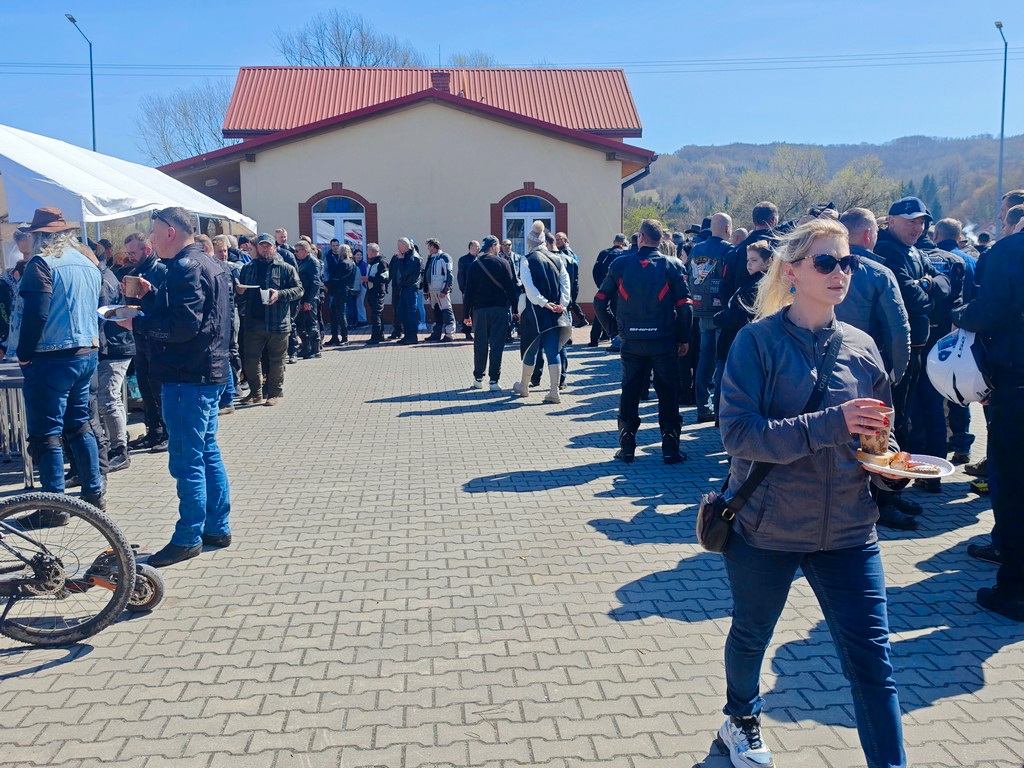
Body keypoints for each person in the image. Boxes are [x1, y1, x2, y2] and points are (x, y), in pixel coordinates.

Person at [716, 217, 906, 768]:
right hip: (768, 526)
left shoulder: (863, 347)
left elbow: (878, 433)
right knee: (751, 635)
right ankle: (740, 719)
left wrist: (890, 468)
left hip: (850, 529)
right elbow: (739, 435)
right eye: (826, 262)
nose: (840, 272)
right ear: (793, 271)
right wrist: (832, 422)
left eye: (848, 262)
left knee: (874, 663)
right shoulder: (757, 342)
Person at [123, 206, 232, 567]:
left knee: (187, 460)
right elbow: (192, 316)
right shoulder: (207, 262)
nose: (152, 241)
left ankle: (188, 537)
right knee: (206, 452)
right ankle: (216, 526)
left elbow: (184, 327)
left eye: (155, 234)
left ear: (170, 232)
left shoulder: (187, 266)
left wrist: (136, 324)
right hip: (206, 372)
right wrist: (152, 297)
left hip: (188, 376)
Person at [10, 207, 104, 523]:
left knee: (46, 433)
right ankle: (94, 494)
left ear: (40, 236)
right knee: (79, 424)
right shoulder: (87, 263)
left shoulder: (42, 263)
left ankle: (54, 507)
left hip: (52, 356)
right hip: (85, 352)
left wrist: (24, 354)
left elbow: (37, 314)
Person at [951, 224, 1024, 622]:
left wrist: (959, 315)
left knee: (1013, 486)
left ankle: (1015, 591)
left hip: (1017, 382)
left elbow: (987, 312)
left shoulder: (1011, 250)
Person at [595, 219, 692, 463]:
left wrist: (613, 331)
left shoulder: (621, 264)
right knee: (667, 393)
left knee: (629, 391)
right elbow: (685, 307)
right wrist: (684, 338)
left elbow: (599, 301)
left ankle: (627, 448)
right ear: (660, 239)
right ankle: (670, 449)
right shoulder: (672, 265)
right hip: (663, 341)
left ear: (640, 237)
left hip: (632, 341)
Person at [237, 233, 302, 405]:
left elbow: (299, 290)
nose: (265, 249)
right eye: (262, 246)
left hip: (277, 322)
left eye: (268, 246)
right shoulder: (248, 268)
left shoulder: (286, 268)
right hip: (253, 321)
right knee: (251, 360)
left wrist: (279, 294)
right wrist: (240, 292)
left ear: (274, 248)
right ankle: (255, 393)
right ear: (257, 248)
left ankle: (274, 393)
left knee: (277, 360)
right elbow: (240, 296)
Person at [513, 221, 570, 403]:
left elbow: (529, 288)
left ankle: (524, 387)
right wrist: (562, 304)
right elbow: (565, 284)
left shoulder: (527, 260)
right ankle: (554, 391)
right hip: (556, 312)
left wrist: (544, 303)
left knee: (530, 350)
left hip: (535, 312)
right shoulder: (558, 259)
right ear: (544, 241)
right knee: (553, 351)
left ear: (529, 242)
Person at [122, 231, 169, 452]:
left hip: (157, 339)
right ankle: (154, 431)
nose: (130, 257)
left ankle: (167, 433)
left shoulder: (161, 271)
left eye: (133, 253)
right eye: (128, 253)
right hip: (140, 337)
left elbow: (166, 303)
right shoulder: (133, 272)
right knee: (145, 387)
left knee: (158, 387)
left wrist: (150, 291)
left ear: (147, 250)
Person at [688, 212, 732, 422]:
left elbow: (690, 275)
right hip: (721, 311)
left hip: (700, 308)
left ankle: (702, 407)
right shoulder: (728, 250)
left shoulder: (696, 248)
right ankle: (718, 408)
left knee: (704, 358)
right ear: (727, 229)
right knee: (721, 358)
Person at [97, 249, 136, 472]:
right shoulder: (106, 276)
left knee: (108, 399)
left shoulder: (103, 279)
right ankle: (118, 446)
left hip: (114, 346)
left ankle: (119, 449)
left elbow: (102, 315)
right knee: (110, 399)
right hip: (114, 344)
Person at [463, 235, 518, 389]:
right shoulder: (503, 263)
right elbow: (511, 288)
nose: (500, 247)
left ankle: (478, 378)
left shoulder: (474, 265)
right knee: (497, 345)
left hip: (480, 310)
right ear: (493, 246)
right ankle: (494, 380)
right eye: (498, 245)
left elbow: (469, 292)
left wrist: (466, 314)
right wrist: (515, 309)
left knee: (480, 344)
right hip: (500, 309)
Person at [589, 234, 627, 347]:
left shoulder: (604, 253)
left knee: (600, 310)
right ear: (623, 243)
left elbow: (595, 270)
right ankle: (616, 338)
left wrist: (600, 285)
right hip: (618, 288)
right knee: (617, 312)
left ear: (614, 242)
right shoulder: (624, 254)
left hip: (605, 286)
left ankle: (594, 339)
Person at [422, 238, 455, 342]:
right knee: (436, 312)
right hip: (432, 291)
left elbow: (449, 274)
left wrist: (445, 290)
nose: (428, 249)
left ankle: (449, 334)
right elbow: (426, 274)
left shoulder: (444, 257)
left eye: (429, 246)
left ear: (434, 246)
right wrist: (426, 290)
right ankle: (436, 333)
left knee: (446, 311)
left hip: (441, 290)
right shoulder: (431, 258)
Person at [293, 240, 322, 359]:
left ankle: (315, 350)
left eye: (297, 251)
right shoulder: (302, 261)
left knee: (311, 324)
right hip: (302, 297)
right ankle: (306, 347)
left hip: (310, 298)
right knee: (301, 324)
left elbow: (315, 282)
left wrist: (309, 300)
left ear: (305, 251)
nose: (295, 253)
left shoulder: (312, 262)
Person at [324, 243, 356, 346]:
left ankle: (343, 338)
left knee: (339, 314)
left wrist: (326, 284)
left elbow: (336, 278)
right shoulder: (352, 263)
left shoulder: (343, 263)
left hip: (339, 291)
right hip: (345, 290)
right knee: (335, 313)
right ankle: (335, 337)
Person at [555, 232, 587, 328]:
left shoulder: (566, 252)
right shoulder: (566, 251)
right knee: (571, 304)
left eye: (559, 239)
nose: (557, 241)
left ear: (565, 240)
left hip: (570, 284)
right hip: (572, 284)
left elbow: (569, 272)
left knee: (568, 306)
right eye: (556, 239)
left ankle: (569, 330)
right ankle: (582, 319)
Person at [395, 237, 422, 345]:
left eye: (399, 247)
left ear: (405, 246)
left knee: (411, 313)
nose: (398, 249)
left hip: (411, 288)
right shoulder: (406, 255)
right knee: (401, 312)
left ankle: (413, 336)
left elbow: (405, 272)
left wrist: (400, 260)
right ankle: (407, 335)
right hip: (405, 287)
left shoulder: (413, 257)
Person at [364, 243, 389, 345]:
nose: (366, 253)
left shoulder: (382, 262)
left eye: (368, 251)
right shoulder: (372, 262)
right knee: (376, 315)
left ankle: (375, 338)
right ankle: (380, 335)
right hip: (371, 292)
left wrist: (369, 279)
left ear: (372, 252)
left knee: (376, 315)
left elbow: (385, 278)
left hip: (378, 292)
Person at [457, 241, 480, 340]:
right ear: (471, 247)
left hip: (479, 290)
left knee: (478, 311)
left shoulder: (480, 259)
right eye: (477, 246)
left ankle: (478, 330)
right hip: (468, 290)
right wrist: (463, 291)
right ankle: (467, 331)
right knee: (468, 311)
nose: (479, 248)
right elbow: (460, 277)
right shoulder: (463, 260)